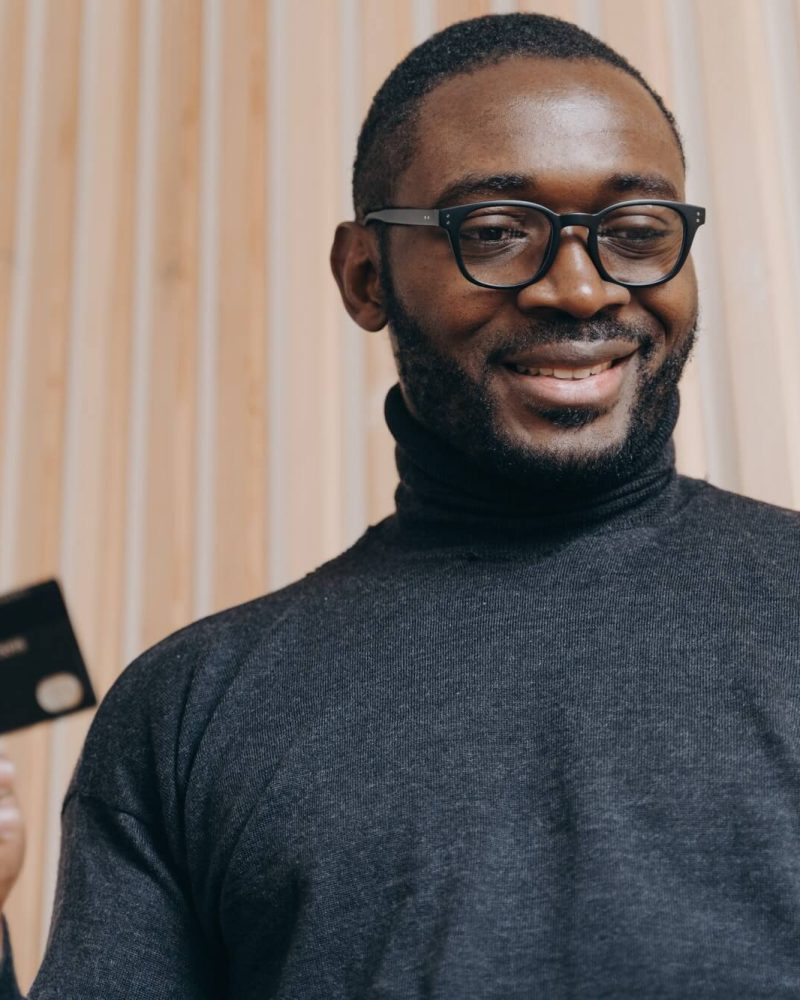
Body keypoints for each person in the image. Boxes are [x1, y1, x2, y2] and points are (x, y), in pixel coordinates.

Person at [1, 11, 799, 998]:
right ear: (364, 274)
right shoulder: (187, 712)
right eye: (496, 233)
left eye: (635, 232)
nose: (581, 287)